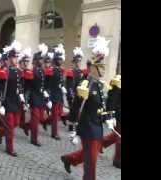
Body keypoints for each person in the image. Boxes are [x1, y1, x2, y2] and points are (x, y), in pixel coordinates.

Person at [60, 36, 117, 180]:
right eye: (101, 67)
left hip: (98, 127)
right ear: (93, 68)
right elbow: (76, 106)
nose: (103, 70)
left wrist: (109, 118)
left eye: (104, 66)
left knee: (91, 154)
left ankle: (69, 159)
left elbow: (102, 106)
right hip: (87, 127)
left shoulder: (99, 85)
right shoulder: (87, 83)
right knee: (91, 162)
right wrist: (73, 128)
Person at [0, 41, 25, 157]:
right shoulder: (5, 72)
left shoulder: (19, 72)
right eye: (14, 57)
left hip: (16, 102)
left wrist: (22, 97)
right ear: (9, 58)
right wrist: (0, 104)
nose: (16, 59)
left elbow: (21, 86)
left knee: (15, 123)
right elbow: (0, 89)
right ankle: (10, 148)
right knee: (11, 127)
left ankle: (0, 132)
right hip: (7, 102)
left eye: (17, 57)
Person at [23, 43, 49, 147]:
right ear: (36, 60)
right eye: (40, 59)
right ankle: (34, 139)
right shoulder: (32, 71)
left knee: (41, 118)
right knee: (36, 119)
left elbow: (44, 84)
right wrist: (26, 99)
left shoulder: (42, 70)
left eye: (42, 59)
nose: (42, 61)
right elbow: (28, 86)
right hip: (34, 97)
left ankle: (27, 126)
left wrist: (46, 93)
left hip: (41, 97)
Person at [44, 44, 67, 140]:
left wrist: (62, 87)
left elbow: (60, 82)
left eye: (61, 59)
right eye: (59, 59)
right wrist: (48, 97)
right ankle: (54, 133)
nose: (61, 61)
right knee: (55, 116)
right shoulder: (51, 70)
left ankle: (45, 122)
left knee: (57, 114)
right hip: (53, 95)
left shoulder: (60, 70)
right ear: (55, 60)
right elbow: (47, 85)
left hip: (59, 95)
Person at [101, 74, 121, 168]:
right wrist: (110, 116)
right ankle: (118, 160)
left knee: (115, 136)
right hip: (119, 116)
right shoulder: (118, 81)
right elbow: (111, 100)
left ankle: (99, 144)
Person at [66, 47, 87, 131]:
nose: (78, 63)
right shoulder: (70, 71)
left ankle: (75, 124)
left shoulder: (80, 72)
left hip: (79, 93)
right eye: (77, 61)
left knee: (77, 110)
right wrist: (71, 94)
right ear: (74, 62)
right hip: (72, 93)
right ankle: (71, 126)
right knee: (72, 110)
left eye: (80, 61)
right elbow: (69, 85)